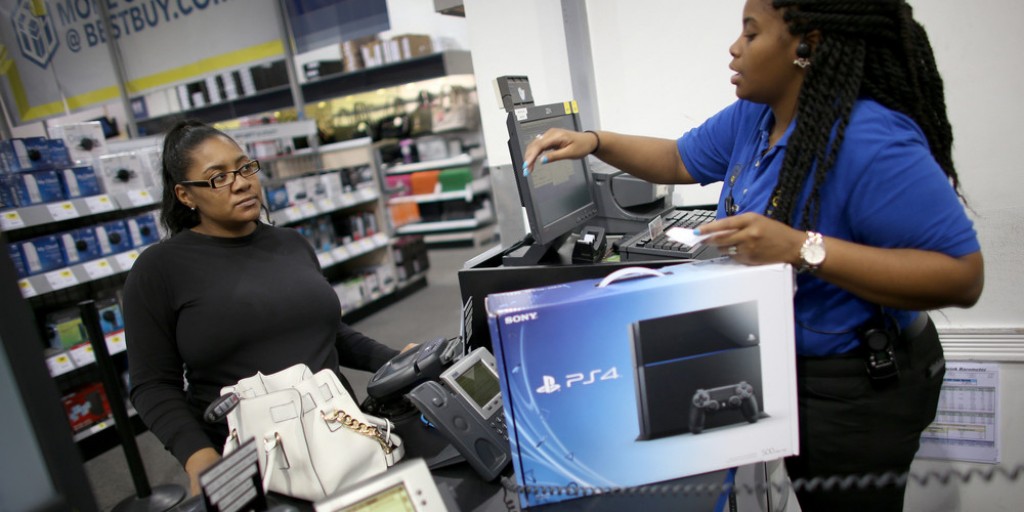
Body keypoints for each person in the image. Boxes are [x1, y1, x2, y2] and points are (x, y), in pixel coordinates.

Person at [521, 1, 983, 510]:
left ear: (808, 45)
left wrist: (799, 247)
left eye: (751, 32)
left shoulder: (869, 138)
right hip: (796, 371)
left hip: (861, 385)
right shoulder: (757, 116)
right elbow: (677, 157)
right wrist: (593, 141)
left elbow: (962, 277)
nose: (734, 48)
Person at [123, 120, 403, 495]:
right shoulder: (159, 269)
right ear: (185, 195)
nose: (240, 182)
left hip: (341, 438)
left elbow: (329, 333)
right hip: (253, 460)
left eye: (244, 167)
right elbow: (153, 384)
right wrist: (198, 457)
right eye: (217, 177)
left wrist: (397, 358)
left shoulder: (292, 244)